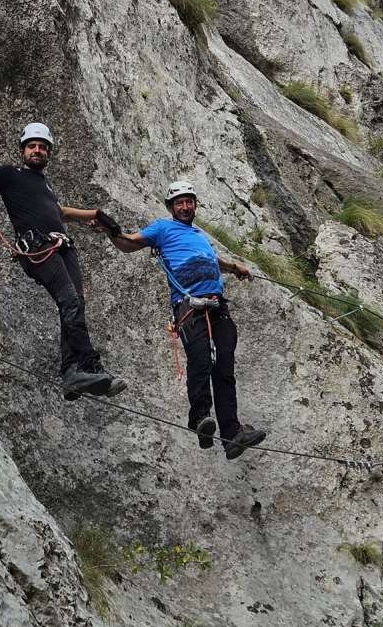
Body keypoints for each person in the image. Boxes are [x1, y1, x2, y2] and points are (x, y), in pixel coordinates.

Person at [0, 123, 126, 402]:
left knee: (75, 303)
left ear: (48, 154)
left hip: (62, 247)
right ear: (23, 150)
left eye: (43, 147)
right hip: (39, 248)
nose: (37, 150)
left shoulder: (45, 185)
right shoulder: (9, 174)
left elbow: (60, 212)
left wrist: (94, 213)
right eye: (32, 146)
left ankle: (71, 373)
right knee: (69, 300)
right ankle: (89, 366)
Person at [103, 178, 266, 461]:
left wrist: (235, 267)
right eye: (179, 202)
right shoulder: (163, 228)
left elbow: (213, 260)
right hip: (189, 307)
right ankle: (200, 418)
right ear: (171, 207)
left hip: (217, 305)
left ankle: (232, 434)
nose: (185, 206)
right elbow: (129, 243)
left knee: (224, 367)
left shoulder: (199, 236)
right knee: (202, 360)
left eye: (189, 201)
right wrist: (110, 231)